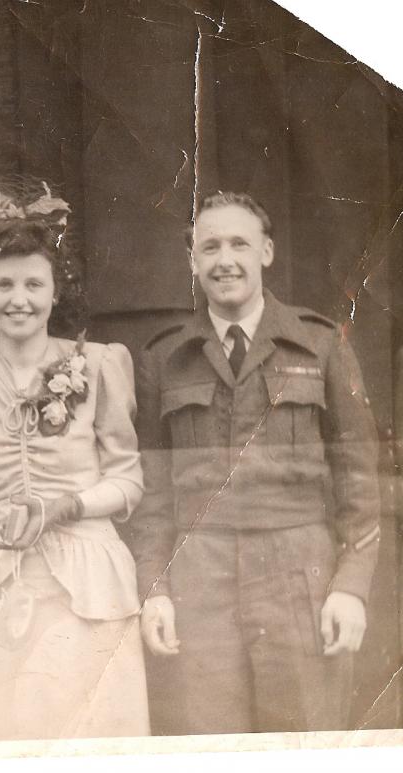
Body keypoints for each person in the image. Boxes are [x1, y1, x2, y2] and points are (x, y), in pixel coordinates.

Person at [132, 192, 381, 734]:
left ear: (266, 252)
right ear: (194, 262)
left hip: (300, 574)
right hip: (201, 580)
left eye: (239, 244)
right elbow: (152, 494)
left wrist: (351, 586)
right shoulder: (164, 356)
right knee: (210, 742)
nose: (225, 260)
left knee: (307, 737)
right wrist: (155, 591)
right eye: (210, 247)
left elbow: (358, 478)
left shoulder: (319, 344)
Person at [0, 187, 149, 740]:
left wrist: (65, 504)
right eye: (3, 284)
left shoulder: (97, 364)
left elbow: (129, 479)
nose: (17, 299)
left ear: (54, 292)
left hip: (88, 579)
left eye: (33, 284)